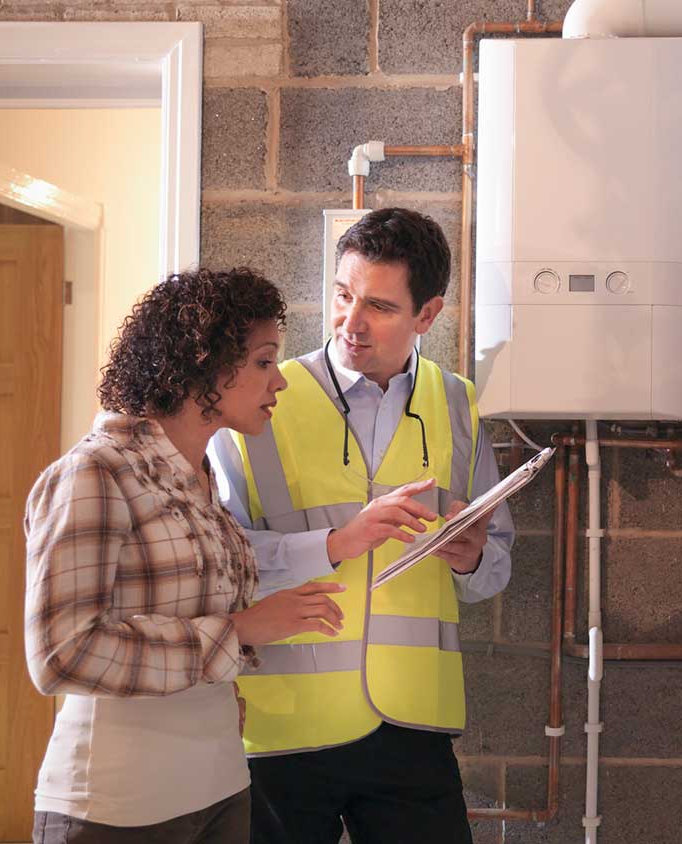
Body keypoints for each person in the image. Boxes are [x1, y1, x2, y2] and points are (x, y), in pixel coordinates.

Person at [209, 208, 515, 844]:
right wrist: (332, 545)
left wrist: (469, 557)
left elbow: (495, 570)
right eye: (343, 295)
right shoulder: (263, 395)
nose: (351, 322)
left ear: (426, 315)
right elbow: (218, 559)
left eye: (378, 305)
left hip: (412, 729)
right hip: (283, 730)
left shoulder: (458, 405)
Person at [24, 268, 347, 844]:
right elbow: (62, 654)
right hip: (115, 809)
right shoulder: (96, 472)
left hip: (222, 791)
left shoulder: (201, 480)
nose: (281, 382)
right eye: (264, 361)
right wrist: (239, 631)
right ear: (206, 365)